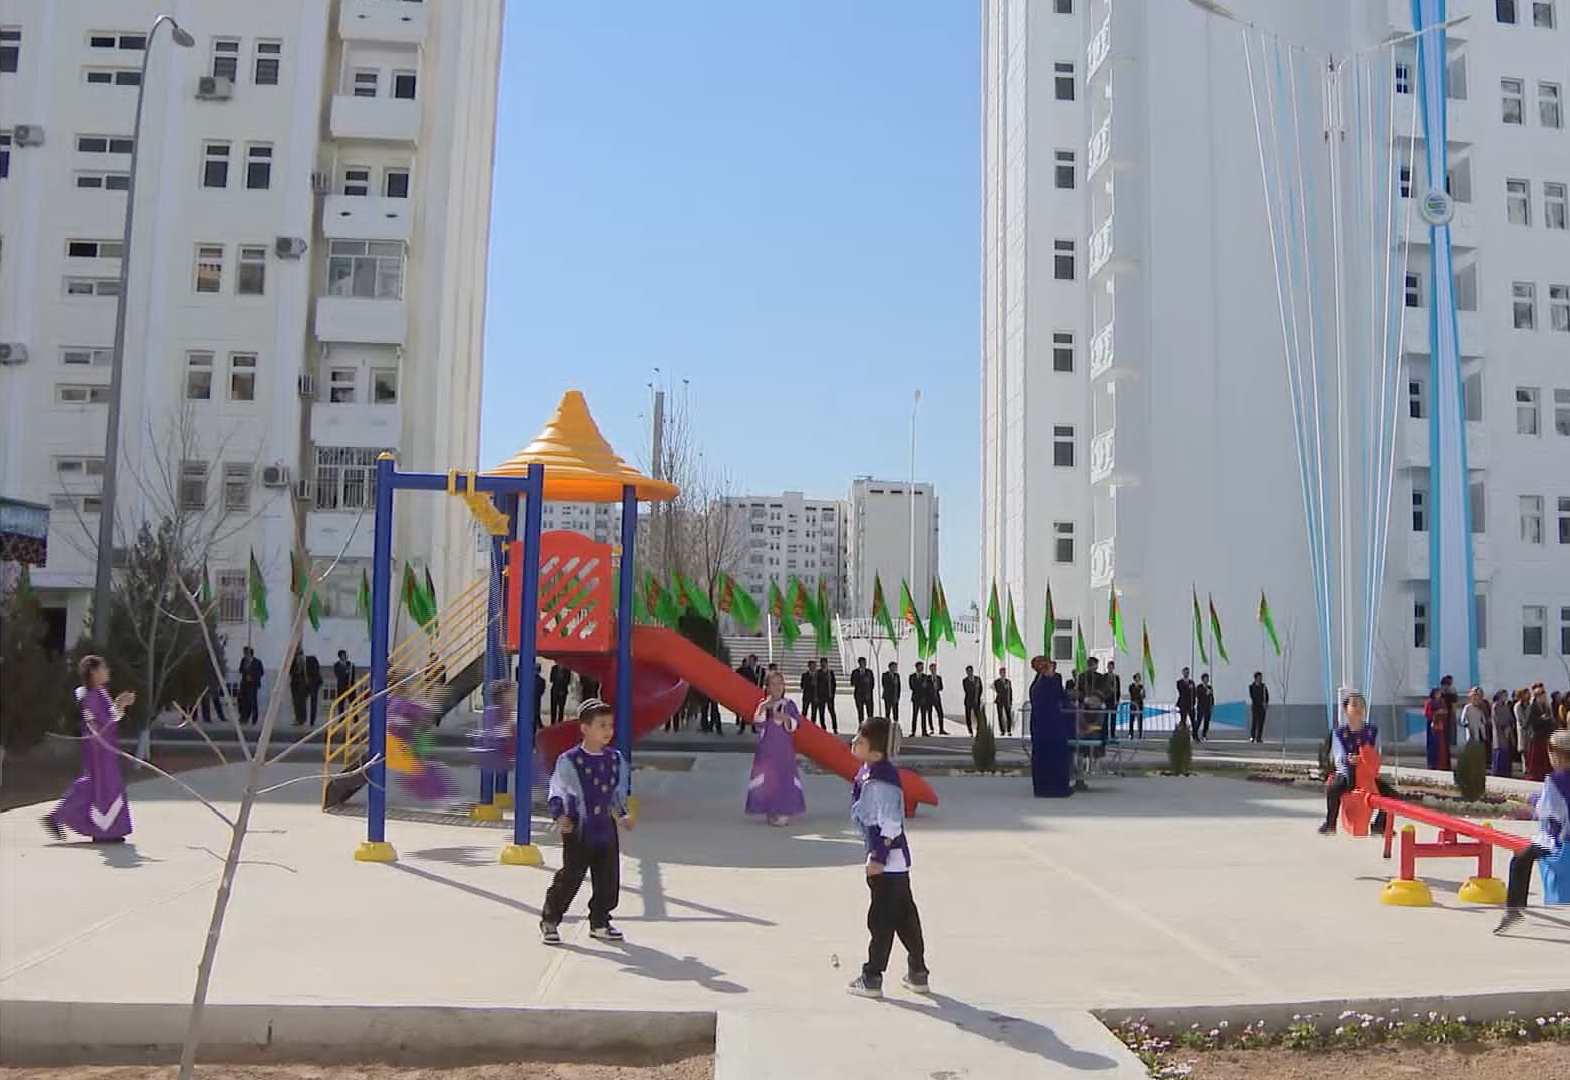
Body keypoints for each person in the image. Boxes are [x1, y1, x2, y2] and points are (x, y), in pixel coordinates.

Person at [846, 716, 929, 999]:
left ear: (877, 752)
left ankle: (872, 977)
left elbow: (891, 823)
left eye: (861, 740)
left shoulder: (880, 780)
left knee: (881, 920)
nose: (854, 742)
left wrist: (878, 856)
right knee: (904, 916)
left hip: (888, 860)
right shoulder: (871, 771)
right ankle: (918, 971)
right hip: (896, 861)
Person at [540, 699, 632, 945]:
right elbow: (557, 789)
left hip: (605, 826)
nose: (608, 731)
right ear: (585, 728)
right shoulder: (569, 760)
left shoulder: (615, 759)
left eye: (610, 725)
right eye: (601, 725)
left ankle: (600, 921)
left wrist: (622, 815)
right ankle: (550, 920)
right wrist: (560, 815)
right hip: (579, 826)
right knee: (571, 876)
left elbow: (616, 792)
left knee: (608, 876)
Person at [42, 655, 135, 844]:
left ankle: (105, 829)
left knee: (100, 785)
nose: (107, 671)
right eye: (104, 668)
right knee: (98, 784)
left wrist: (118, 704)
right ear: (94, 672)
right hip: (99, 750)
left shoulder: (99, 693)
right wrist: (119, 705)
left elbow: (108, 717)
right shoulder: (92, 697)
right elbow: (101, 723)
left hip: (104, 749)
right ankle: (100, 829)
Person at [1495, 729, 1570, 935]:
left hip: (1561, 841)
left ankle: (1514, 910)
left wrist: (1533, 801)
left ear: (1556, 754)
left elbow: (1546, 810)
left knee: (1520, 861)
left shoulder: (1555, 779)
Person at [1319, 689, 1400, 836]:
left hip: (1367, 775)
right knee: (1333, 789)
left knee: (1392, 795)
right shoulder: (1339, 733)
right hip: (1348, 775)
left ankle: (1379, 825)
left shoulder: (1372, 731)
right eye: (1354, 705)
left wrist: (1370, 760)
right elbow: (1339, 759)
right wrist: (1351, 762)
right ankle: (1330, 824)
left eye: (1362, 705)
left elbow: (1376, 753)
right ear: (1345, 709)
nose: (1358, 709)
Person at [746, 670, 806, 826]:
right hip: (766, 750)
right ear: (767, 687)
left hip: (783, 750)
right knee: (768, 780)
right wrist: (764, 707)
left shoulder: (789, 705)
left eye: (780, 683)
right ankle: (770, 809)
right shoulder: (764, 704)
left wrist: (785, 718)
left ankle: (784, 810)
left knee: (784, 778)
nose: (777, 687)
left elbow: (795, 724)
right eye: (773, 684)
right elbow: (757, 723)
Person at [1029, 656, 1074, 798]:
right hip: (1047, 727)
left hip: (1051, 726)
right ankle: (1049, 788)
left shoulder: (1050, 680)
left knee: (1055, 757)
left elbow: (1062, 698)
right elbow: (1055, 698)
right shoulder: (1042, 683)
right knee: (1048, 757)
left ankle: (1055, 787)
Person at [1525, 683, 1555, 782]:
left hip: (1545, 736)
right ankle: (1534, 776)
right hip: (1536, 736)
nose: (1544, 696)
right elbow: (1529, 721)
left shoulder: (1545, 706)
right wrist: (1542, 719)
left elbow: (1550, 719)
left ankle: (1545, 776)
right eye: (1542, 694)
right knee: (1536, 759)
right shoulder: (1532, 706)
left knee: (1545, 759)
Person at [1491, 690, 1518, 778]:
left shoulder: (1506, 706)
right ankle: (1498, 772)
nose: (1506, 697)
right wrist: (1504, 727)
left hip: (1508, 733)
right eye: (1504, 695)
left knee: (1507, 752)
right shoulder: (1495, 706)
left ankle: (1507, 772)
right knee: (1500, 751)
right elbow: (1496, 719)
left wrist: (1510, 726)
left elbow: (1511, 718)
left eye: (1506, 695)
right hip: (1499, 733)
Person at [1424, 687, 1451, 770]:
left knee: (1442, 744)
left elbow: (1446, 711)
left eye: (1440, 693)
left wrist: (1444, 712)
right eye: (1437, 693)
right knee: (1433, 745)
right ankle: (1433, 764)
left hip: (1441, 725)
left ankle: (1443, 764)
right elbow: (1427, 714)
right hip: (1432, 726)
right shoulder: (1429, 702)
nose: (1439, 695)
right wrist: (1436, 713)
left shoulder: (1442, 702)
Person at [238, 646, 264, 725]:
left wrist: (253, 677)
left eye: (246, 653)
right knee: (244, 701)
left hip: (253, 685)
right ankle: (244, 718)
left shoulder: (257, 662)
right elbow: (240, 670)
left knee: (253, 701)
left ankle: (254, 719)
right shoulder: (244, 660)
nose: (245, 655)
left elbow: (261, 672)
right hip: (244, 684)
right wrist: (245, 668)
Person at [200, 660, 228, 726]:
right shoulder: (204, 661)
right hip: (206, 682)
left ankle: (220, 716)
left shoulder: (214, 660)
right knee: (206, 701)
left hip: (212, 682)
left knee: (215, 700)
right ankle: (207, 717)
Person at [816, 657, 839, 734]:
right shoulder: (818, 673)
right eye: (822, 663)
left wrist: (832, 694)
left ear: (827, 663)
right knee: (821, 712)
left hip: (829, 696)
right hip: (821, 695)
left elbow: (834, 684)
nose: (823, 664)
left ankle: (835, 728)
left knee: (832, 712)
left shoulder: (830, 672)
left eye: (825, 663)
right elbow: (816, 685)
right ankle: (823, 727)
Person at [908, 661, 931, 738]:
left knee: (923, 715)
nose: (921, 668)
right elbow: (912, 687)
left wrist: (925, 686)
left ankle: (924, 731)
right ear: (916, 667)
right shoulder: (912, 676)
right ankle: (913, 731)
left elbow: (928, 689)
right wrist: (921, 685)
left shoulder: (925, 677)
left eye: (922, 667)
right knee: (915, 715)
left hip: (924, 699)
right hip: (916, 698)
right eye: (920, 667)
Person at [850, 657, 876, 724]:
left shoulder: (869, 672)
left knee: (870, 712)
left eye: (865, 662)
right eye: (862, 662)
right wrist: (860, 680)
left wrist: (869, 691)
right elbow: (852, 683)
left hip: (868, 695)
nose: (864, 664)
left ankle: (870, 726)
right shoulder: (855, 672)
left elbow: (872, 683)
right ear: (859, 663)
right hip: (859, 694)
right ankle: (861, 726)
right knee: (860, 712)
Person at [332, 650, 355, 720]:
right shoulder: (336, 665)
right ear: (339, 656)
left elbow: (353, 674)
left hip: (350, 686)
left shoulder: (350, 664)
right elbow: (338, 675)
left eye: (345, 655)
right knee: (341, 703)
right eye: (342, 655)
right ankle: (341, 718)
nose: (344, 656)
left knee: (353, 702)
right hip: (341, 686)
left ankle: (355, 717)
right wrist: (346, 672)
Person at [961, 665, 984, 735]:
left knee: (978, 716)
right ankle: (970, 730)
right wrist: (974, 687)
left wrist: (978, 696)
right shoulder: (964, 680)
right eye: (968, 671)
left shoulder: (978, 679)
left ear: (972, 671)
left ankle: (979, 729)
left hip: (976, 700)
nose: (969, 672)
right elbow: (966, 690)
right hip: (968, 700)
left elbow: (981, 689)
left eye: (970, 671)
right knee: (968, 716)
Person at [1248, 672, 1269, 744]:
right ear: (1256, 677)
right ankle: (1252, 737)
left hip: (1262, 707)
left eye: (1261, 677)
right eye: (1260, 677)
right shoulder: (1251, 686)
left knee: (1261, 723)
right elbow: (1252, 697)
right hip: (1255, 707)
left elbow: (1266, 695)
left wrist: (1265, 703)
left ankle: (1259, 737)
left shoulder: (1263, 686)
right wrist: (1259, 702)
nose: (1261, 678)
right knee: (1254, 722)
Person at [289, 654, 309, 727]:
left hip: (302, 683)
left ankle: (302, 718)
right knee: (296, 702)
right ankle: (298, 718)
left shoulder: (305, 664)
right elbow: (290, 671)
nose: (299, 659)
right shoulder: (293, 663)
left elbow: (307, 675)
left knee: (302, 702)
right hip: (295, 683)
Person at [1103, 661, 1122, 737]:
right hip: (1106, 700)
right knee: (1105, 719)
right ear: (1107, 667)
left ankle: (1113, 734)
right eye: (1109, 667)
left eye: (1112, 667)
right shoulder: (1104, 676)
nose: (1110, 668)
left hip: (1113, 700)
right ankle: (1105, 734)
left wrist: (1117, 699)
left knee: (1113, 718)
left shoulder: (1116, 677)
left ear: (1113, 668)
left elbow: (1118, 689)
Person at [993, 667, 1014, 736]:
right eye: (1002, 672)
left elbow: (1010, 692)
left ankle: (1009, 730)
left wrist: (1010, 701)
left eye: (1004, 672)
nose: (1003, 674)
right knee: (1000, 716)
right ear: (1000, 673)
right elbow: (998, 690)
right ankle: (1002, 731)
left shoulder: (1008, 681)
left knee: (1008, 716)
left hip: (1007, 701)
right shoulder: (996, 682)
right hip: (999, 700)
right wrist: (1004, 686)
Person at [1175, 667, 1196, 737]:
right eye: (1185, 672)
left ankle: (1195, 735)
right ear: (1183, 673)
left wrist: (1193, 703)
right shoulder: (1179, 682)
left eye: (1188, 672)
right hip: (1183, 704)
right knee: (1183, 720)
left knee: (1193, 720)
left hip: (1190, 704)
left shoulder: (1192, 682)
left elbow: (1194, 693)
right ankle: (1183, 736)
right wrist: (1188, 687)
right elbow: (1181, 690)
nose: (1187, 673)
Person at [928, 663, 947, 736]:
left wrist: (937, 687)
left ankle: (941, 729)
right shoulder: (927, 678)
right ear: (930, 669)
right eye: (932, 668)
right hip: (929, 698)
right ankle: (931, 729)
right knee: (929, 713)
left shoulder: (938, 678)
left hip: (937, 697)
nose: (933, 670)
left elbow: (941, 687)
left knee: (940, 713)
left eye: (934, 668)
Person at [1194, 673, 1215, 742]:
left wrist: (1212, 705)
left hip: (1207, 707)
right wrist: (1206, 693)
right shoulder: (1199, 687)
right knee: (1199, 722)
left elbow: (1212, 697)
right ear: (1202, 679)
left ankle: (1204, 735)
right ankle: (1195, 734)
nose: (1207, 680)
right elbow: (1198, 696)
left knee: (1207, 722)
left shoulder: (1209, 687)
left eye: (1207, 679)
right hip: (1201, 707)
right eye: (1205, 678)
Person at [304, 653, 323, 726]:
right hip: (313, 682)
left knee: (311, 702)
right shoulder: (312, 661)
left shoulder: (309, 661)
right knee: (313, 702)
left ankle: (308, 719)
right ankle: (311, 720)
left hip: (312, 682)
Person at [800, 660, 820, 727]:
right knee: (804, 712)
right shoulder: (805, 675)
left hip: (815, 696)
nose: (813, 667)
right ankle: (802, 725)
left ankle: (812, 726)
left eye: (814, 666)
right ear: (809, 666)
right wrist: (811, 683)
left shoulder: (818, 675)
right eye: (812, 666)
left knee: (814, 712)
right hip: (807, 696)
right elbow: (802, 686)